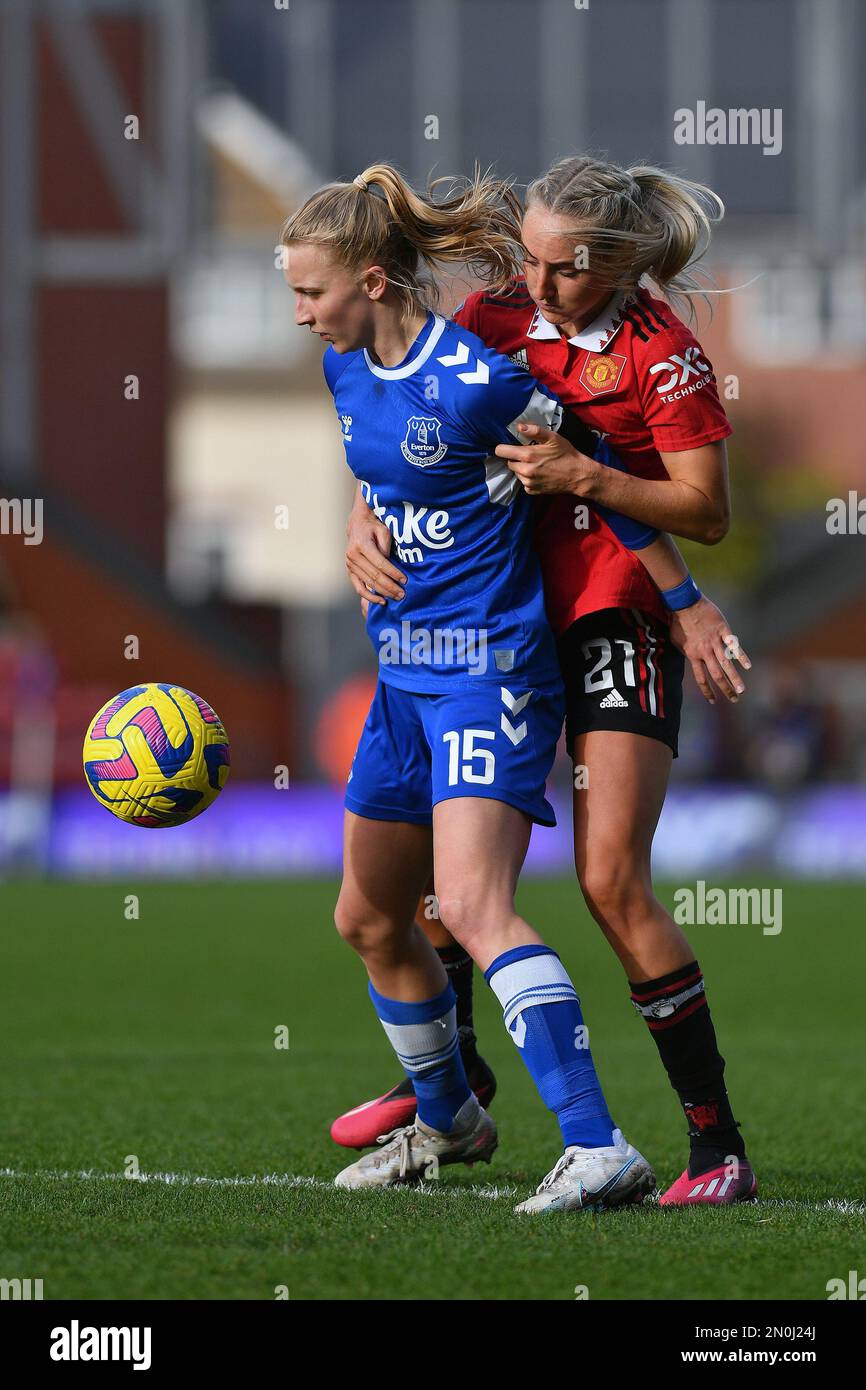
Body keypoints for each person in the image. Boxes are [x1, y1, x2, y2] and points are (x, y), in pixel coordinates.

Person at [282, 162, 712, 1211]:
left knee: (474, 903)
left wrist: (689, 602)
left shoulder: (477, 377)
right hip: (398, 677)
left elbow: (588, 481)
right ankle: (449, 1118)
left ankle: (597, 1142)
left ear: (374, 282)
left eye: (309, 293)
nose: (298, 313)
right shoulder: (344, 366)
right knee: (370, 915)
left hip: (486, 672)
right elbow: (379, 467)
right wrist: (358, 518)